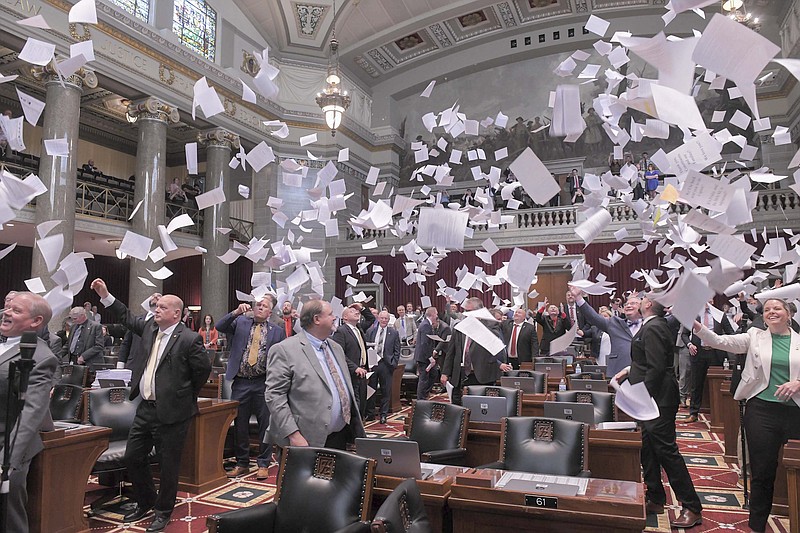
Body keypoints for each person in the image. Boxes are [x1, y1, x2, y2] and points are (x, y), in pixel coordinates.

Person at [90, 278, 211, 532]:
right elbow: (125, 316)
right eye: (156, 306)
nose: (156, 310)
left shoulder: (189, 339)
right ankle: (146, 500)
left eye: (162, 307)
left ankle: (163, 511)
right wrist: (105, 295)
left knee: (168, 465)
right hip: (145, 408)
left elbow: (202, 372)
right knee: (134, 456)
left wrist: (181, 394)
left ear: (176, 313)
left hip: (173, 412)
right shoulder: (148, 328)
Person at [691, 298, 800, 532]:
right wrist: (697, 326)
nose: (771, 312)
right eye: (768, 309)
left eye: (777, 308)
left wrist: (798, 383)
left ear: (788, 314)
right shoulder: (754, 336)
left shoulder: (799, 340)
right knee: (762, 470)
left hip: (795, 412)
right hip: (761, 411)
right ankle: (757, 524)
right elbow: (721, 341)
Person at [615, 294, 703, 529]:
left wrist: (642, 397)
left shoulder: (653, 326)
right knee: (648, 448)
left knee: (666, 451)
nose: (640, 299)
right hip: (653, 397)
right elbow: (647, 362)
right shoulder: (653, 325)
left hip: (657, 399)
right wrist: (628, 371)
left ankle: (692, 506)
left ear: (649, 305)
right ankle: (655, 496)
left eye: (643, 298)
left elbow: (655, 368)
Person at [265, 300, 366, 450]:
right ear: (316, 319)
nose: (334, 318)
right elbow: (275, 396)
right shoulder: (285, 350)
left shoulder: (335, 348)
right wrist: (293, 434)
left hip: (339, 436)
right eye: (330, 314)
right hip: (304, 439)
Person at [0, 292, 59, 533]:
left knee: (8, 518)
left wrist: (7, 462)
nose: (6, 312)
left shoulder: (41, 357)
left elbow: (30, 414)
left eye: (16, 311)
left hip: (8, 447)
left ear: (36, 321)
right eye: (7, 308)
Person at [216, 298, 286, 479]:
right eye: (258, 305)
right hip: (241, 381)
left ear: (270, 313)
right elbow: (219, 326)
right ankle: (242, 463)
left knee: (265, 424)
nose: (260, 308)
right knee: (240, 424)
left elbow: (282, 357)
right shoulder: (241, 322)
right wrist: (236, 312)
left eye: (264, 307)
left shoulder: (277, 332)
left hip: (263, 382)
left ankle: (263, 463)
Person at [441, 297, 512, 406]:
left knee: (478, 409)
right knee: (457, 408)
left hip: (481, 375)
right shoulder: (459, 326)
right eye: (466, 310)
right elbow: (451, 352)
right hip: (460, 374)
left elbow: (497, 349)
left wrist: (478, 326)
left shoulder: (491, 325)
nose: (466, 313)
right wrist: (445, 373)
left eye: (469, 311)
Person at [569, 286, 643, 377]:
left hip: (643, 374)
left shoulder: (651, 324)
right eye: (626, 304)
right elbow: (593, 317)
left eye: (633, 303)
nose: (628, 305)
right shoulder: (615, 323)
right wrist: (578, 298)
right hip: (618, 373)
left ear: (642, 307)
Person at [681, 300, 735, 423]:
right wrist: (689, 345)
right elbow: (684, 335)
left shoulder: (720, 315)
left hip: (716, 353)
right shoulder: (693, 315)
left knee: (718, 383)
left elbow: (731, 333)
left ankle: (718, 413)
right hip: (698, 353)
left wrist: (722, 342)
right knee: (696, 384)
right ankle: (693, 413)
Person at [330, 305, 370, 416]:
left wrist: (361, 308)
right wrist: (354, 367)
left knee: (362, 403)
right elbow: (339, 354)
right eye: (352, 311)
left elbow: (371, 319)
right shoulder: (341, 331)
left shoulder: (358, 328)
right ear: (345, 317)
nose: (357, 312)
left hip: (362, 371)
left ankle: (360, 428)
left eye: (357, 311)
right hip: (351, 373)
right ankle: (354, 431)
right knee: (355, 404)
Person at [365, 310, 401, 423]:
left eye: (386, 318)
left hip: (387, 364)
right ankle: (370, 413)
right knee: (371, 389)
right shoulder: (370, 331)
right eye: (382, 318)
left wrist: (394, 363)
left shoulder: (393, 332)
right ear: (378, 319)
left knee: (386, 390)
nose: (384, 320)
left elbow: (397, 350)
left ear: (388, 320)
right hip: (373, 364)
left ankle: (383, 414)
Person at [414, 307, 450, 400]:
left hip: (425, 356)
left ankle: (425, 394)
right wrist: (430, 358)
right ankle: (421, 400)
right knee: (423, 379)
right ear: (433, 314)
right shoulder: (426, 325)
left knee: (433, 373)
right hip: (424, 357)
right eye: (436, 314)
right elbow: (424, 343)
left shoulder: (426, 324)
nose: (437, 316)